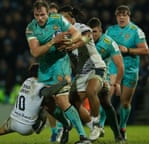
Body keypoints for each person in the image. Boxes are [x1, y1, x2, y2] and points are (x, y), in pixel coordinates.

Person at [25, 1, 91, 144]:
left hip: (61, 63)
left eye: (42, 14)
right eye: (37, 15)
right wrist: (53, 42)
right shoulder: (31, 28)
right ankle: (67, 124)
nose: (40, 18)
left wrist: (69, 43)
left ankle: (83, 137)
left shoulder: (58, 20)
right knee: (48, 103)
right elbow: (35, 52)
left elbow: (77, 34)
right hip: (45, 66)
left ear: (48, 13)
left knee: (62, 99)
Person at [0, 63, 68, 144]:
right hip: (28, 127)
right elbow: (47, 92)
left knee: (0, 130)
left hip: (14, 120)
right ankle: (42, 125)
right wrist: (63, 82)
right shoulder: (40, 84)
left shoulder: (26, 81)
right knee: (48, 101)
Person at [58, 5, 106, 141]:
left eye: (64, 18)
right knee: (72, 100)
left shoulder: (81, 27)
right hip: (81, 74)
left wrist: (74, 44)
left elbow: (87, 37)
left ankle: (97, 124)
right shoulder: (63, 34)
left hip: (96, 68)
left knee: (91, 91)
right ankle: (93, 126)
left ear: (72, 18)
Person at [105, 5, 149, 140]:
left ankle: (122, 127)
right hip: (113, 69)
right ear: (116, 17)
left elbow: (146, 50)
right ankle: (99, 126)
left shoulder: (136, 31)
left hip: (130, 70)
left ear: (129, 16)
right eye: (119, 15)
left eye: (124, 14)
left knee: (125, 102)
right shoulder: (110, 31)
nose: (121, 17)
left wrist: (128, 50)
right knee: (106, 98)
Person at [87, 17, 124, 142]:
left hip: (103, 76)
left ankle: (115, 133)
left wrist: (117, 83)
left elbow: (120, 65)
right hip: (85, 75)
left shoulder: (109, 43)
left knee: (106, 103)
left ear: (101, 31)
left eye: (95, 31)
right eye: (90, 32)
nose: (92, 35)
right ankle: (92, 129)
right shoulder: (84, 39)